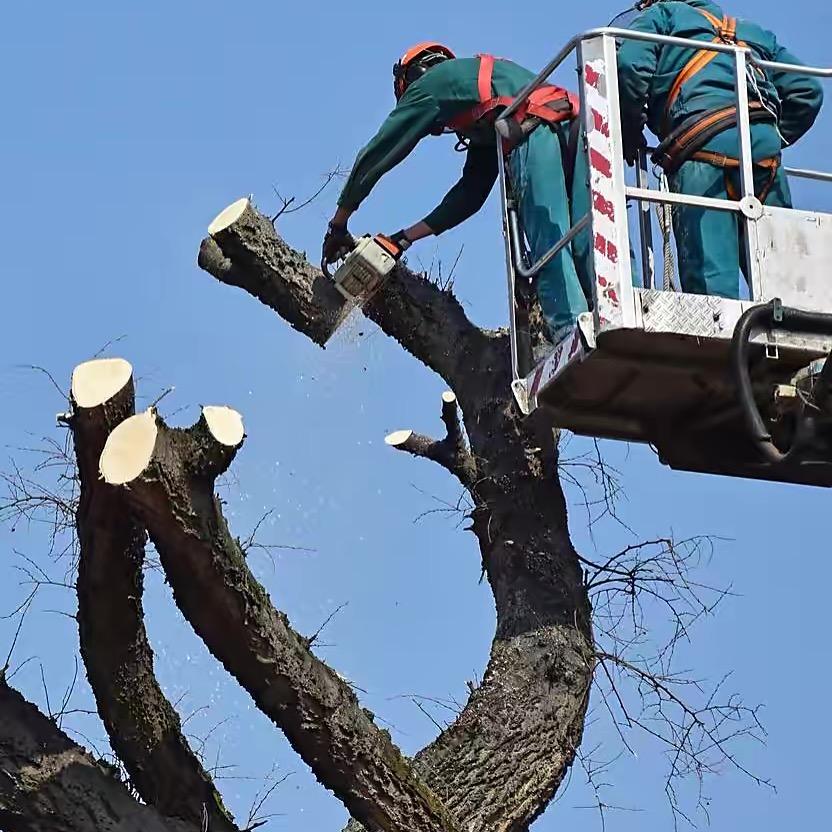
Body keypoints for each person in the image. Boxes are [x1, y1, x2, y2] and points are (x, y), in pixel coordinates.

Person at [322, 42, 590, 341]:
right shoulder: (484, 101)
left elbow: (376, 154)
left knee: (548, 239)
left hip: (534, 128)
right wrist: (402, 239)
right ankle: (611, 314)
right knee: (587, 234)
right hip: (577, 126)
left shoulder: (431, 83)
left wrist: (338, 225)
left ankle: (570, 333)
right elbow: (469, 196)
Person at [617, 0, 823, 298]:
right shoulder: (752, 32)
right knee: (785, 282)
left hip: (701, 151)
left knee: (712, 296)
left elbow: (630, 65)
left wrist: (630, 129)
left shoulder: (662, 16)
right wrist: (770, 138)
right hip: (764, 158)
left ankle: (724, 345)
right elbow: (808, 91)